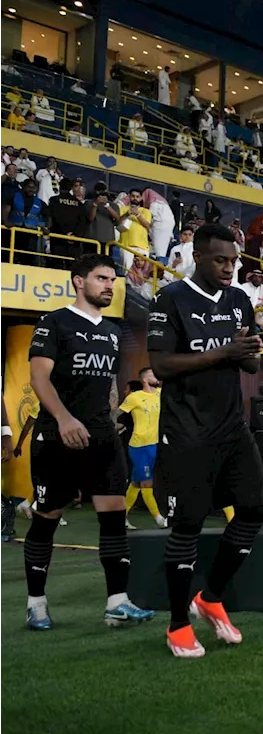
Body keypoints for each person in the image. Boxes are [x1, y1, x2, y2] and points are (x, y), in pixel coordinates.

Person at [148, 224, 263, 659]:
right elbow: (160, 366)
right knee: (188, 526)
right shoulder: (171, 298)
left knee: (254, 510)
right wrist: (224, 353)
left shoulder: (239, 300)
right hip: (187, 431)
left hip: (232, 427)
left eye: (234, 261)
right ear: (198, 256)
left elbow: (251, 362)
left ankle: (211, 597)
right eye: (221, 260)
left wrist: (248, 353)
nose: (229, 268)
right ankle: (178, 624)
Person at [22, 253, 154, 631]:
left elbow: (107, 387)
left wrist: (111, 424)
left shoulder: (112, 332)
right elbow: (39, 379)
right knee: (47, 517)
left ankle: (117, 602)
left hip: (100, 435)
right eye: (101, 278)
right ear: (79, 281)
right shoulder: (54, 323)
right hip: (56, 434)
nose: (109, 286)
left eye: (112, 279)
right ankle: (36, 604)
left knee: (113, 516)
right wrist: (64, 419)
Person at [118, 367, 166, 530]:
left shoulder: (161, 394)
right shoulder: (134, 397)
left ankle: (120, 517)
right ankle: (159, 519)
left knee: (136, 483)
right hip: (139, 446)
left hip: (154, 444)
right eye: (153, 375)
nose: (156, 377)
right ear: (145, 379)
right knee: (146, 482)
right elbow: (117, 414)